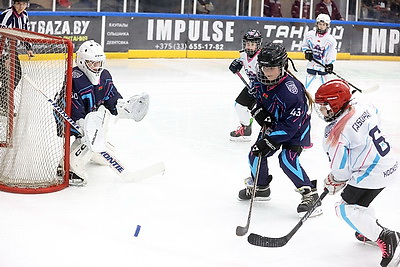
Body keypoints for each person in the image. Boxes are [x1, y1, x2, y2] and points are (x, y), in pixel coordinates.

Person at [315, 79, 400, 267]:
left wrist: (333, 180)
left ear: (336, 104)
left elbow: (341, 171)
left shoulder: (335, 133)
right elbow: (377, 115)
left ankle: (386, 237)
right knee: (358, 204)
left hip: (372, 173)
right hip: (389, 163)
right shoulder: (362, 105)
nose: (322, 111)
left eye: (324, 106)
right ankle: (369, 230)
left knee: (344, 208)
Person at [238, 42, 322, 217]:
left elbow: (291, 125)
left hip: (297, 129)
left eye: (272, 68)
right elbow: (254, 100)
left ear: (283, 66)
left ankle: (310, 195)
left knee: (287, 159)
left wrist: (270, 140)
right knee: (255, 154)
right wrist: (259, 111)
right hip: (276, 125)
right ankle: (261, 187)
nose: (268, 73)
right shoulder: (261, 80)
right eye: (264, 68)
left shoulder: (291, 91)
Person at [62, 40, 149, 186]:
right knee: (88, 132)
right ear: (82, 62)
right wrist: (82, 124)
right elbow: (72, 106)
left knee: (102, 112)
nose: (97, 67)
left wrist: (124, 107)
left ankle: (95, 149)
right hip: (71, 118)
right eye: (93, 63)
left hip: (91, 116)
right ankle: (69, 166)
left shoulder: (104, 75)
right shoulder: (74, 78)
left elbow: (111, 97)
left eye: (99, 62)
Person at [0, 0, 34, 116]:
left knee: (15, 75)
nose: (21, 7)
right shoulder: (7, 14)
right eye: (19, 3)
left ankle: (3, 101)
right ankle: (4, 104)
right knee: (8, 76)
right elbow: (2, 35)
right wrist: (6, 56)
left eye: (24, 4)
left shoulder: (24, 15)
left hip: (11, 51)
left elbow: (25, 32)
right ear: (14, 3)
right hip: (3, 51)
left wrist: (28, 48)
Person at [228, 29, 262, 142]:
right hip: (252, 86)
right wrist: (235, 64)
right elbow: (241, 62)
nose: (249, 47)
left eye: (252, 44)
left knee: (269, 113)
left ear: (258, 45)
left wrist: (259, 87)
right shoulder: (243, 55)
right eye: (247, 44)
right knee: (239, 105)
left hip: (267, 89)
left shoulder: (262, 57)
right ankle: (246, 128)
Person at [301, 14, 337, 95]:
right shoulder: (309, 35)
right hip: (312, 65)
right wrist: (307, 51)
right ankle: (306, 99)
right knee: (307, 88)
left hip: (323, 66)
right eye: (320, 24)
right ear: (317, 24)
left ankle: (323, 103)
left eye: (323, 25)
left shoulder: (331, 40)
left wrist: (330, 64)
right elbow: (304, 45)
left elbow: (331, 53)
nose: (321, 26)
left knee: (324, 88)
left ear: (327, 26)